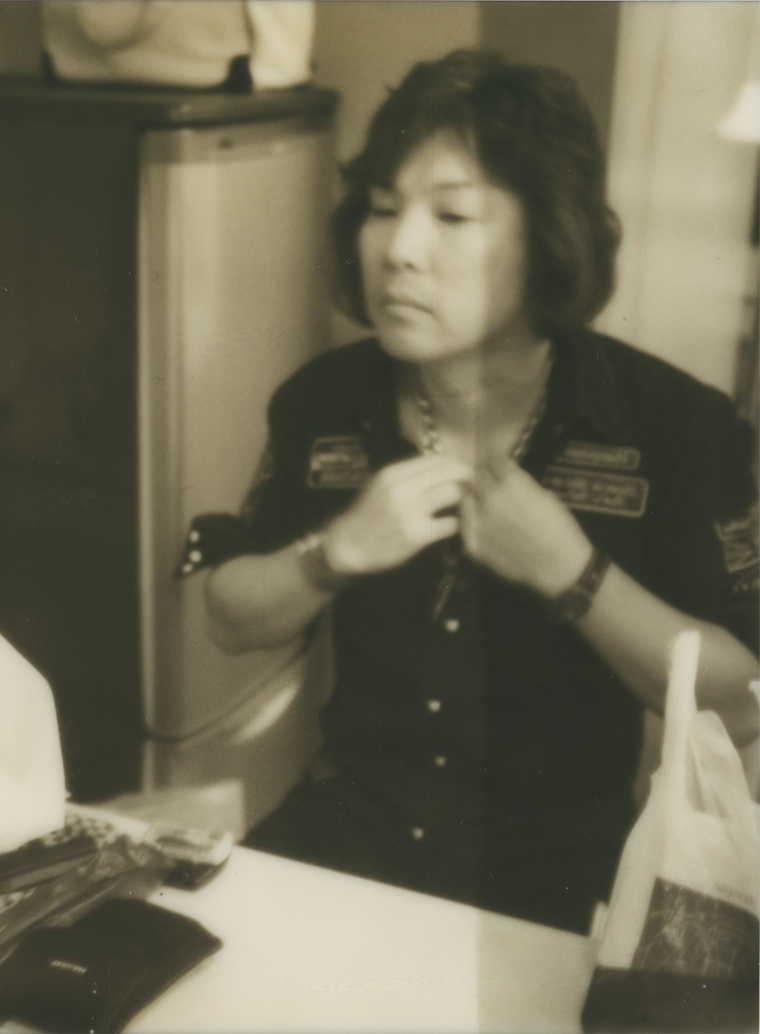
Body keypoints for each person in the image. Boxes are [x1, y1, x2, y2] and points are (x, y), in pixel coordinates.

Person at [175, 49, 760, 934]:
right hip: (348, 839)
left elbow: (740, 697)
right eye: (383, 209)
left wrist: (577, 576)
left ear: (548, 239)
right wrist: (333, 554)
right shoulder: (321, 402)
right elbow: (228, 617)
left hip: (556, 876)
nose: (400, 250)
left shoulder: (673, 425)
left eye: (452, 215)